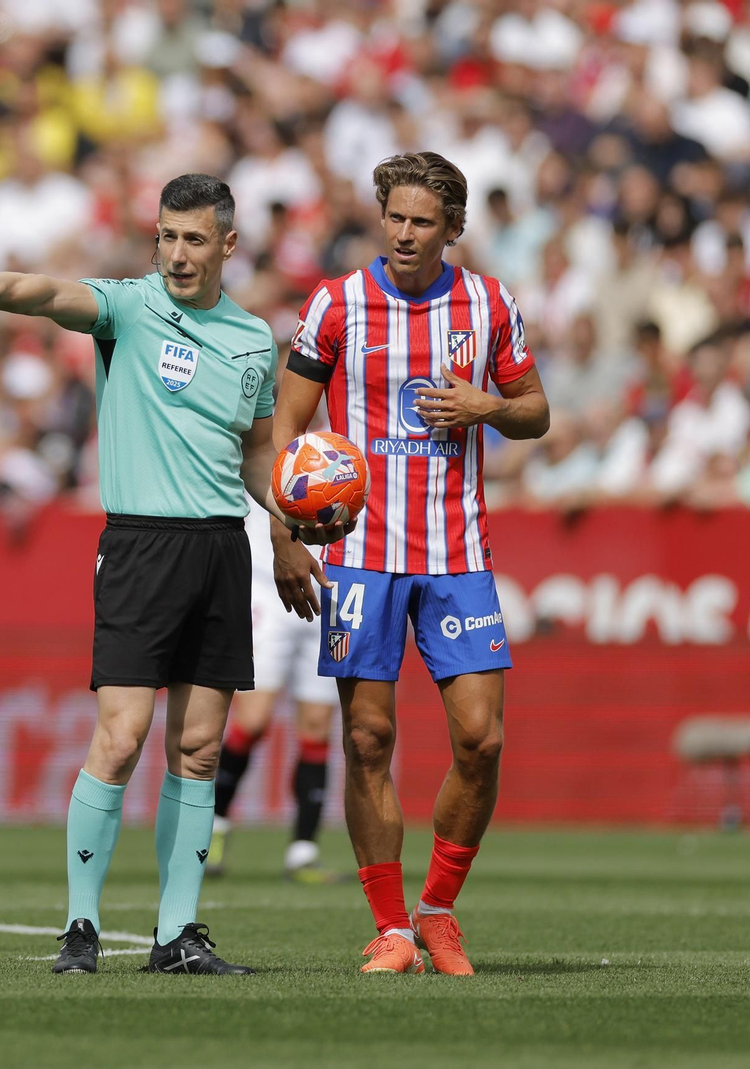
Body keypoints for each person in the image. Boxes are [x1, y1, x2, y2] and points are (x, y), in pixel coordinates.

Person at [0, 173, 349, 976]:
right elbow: (55, 295)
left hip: (220, 550)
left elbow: (256, 455)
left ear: (227, 245)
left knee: (199, 750)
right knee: (122, 736)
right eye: (166, 235)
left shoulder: (249, 341)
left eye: (194, 238)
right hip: (138, 545)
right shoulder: (131, 307)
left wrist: (284, 538)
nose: (176, 253)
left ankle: (177, 934)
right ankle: (80, 924)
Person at [276, 151, 549, 975]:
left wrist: (487, 406)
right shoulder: (336, 303)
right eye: (393, 216)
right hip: (358, 556)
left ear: (452, 230)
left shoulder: (489, 301)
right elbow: (289, 420)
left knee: (482, 739)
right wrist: (288, 534)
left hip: (457, 552)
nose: (403, 232)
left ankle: (438, 911)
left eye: (421, 221)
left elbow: (536, 410)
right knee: (367, 738)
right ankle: (392, 926)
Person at [207, 503, 339, 882]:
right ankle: (215, 827)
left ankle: (303, 851)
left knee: (316, 727)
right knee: (252, 720)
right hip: (268, 584)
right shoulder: (273, 442)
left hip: (330, 585)